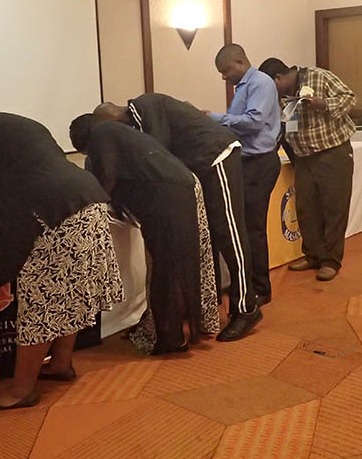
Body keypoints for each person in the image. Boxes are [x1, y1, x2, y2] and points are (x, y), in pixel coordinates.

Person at [0, 88, 123, 409]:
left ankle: (22, 390)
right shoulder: (17, 123)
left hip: (56, 217)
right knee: (72, 294)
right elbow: (19, 180)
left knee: (42, 301)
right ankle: (61, 364)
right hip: (87, 204)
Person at [94, 93, 260, 341]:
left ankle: (246, 308)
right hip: (200, 164)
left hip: (216, 155)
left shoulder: (145, 107)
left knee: (230, 233)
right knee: (210, 237)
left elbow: (159, 153)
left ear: (111, 118)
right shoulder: (139, 118)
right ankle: (206, 308)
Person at [69, 114, 219, 354]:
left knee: (166, 269)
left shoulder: (102, 132)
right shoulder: (123, 135)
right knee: (174, 266)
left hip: (165, 199)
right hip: (177, 192)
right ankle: (174, 333)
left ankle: (170, 339)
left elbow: (107, 177)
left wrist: (93, 201)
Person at [260, 57, 357, 281]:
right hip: (304, 157)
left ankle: (331, 261)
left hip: (332, 152)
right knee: (305, 208)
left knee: (333, 208)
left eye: (270, 86)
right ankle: (313, 255)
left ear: (279, 78)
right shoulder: (284, 95)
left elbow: (349, 98)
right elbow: (286, 123)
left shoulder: (319, 76)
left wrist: (323, 104)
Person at [211, 44, 282, 303]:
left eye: (225, 70)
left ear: (239, 62)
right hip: (246, 162)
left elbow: (254, 122)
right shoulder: (243, 86)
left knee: (253, 229)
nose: (223, 77)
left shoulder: (260, 83)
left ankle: (261, 289)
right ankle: (246, 282)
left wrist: (214, 118)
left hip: (259, 163)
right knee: (243, 227)